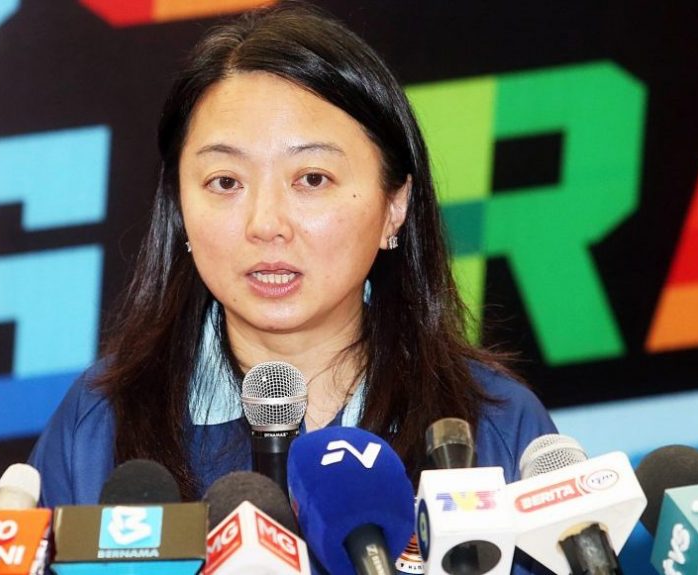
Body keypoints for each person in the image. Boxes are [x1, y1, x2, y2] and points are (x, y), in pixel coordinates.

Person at [29, 2, 556, 572]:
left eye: (311, 178)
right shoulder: (99, 423)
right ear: (180, 208)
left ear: (394, 206)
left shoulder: (491, 425)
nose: (266, 223)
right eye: (225, 182)